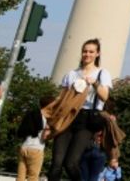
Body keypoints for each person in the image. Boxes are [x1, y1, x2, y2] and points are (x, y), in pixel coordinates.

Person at [48, 38, 113, 181]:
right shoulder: (71, 74)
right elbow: (62, 98)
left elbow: (104, 96)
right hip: (67, 117)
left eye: (91, 52)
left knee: (71, 163)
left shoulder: (102, 73)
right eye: (85, 51)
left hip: (87, 119)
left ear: (97, 54)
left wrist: (95, 83)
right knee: (56, 163)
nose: (87, 54)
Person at [14, 91, 55, 181]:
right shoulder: (45, 120)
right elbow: (44, 137)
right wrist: (50, 131)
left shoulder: (31, 114)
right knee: (33, 177)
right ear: (49, 105)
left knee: (20, 177)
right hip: (36, 149)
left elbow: (22, 131)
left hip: (24, 147)